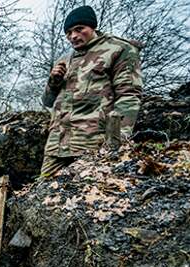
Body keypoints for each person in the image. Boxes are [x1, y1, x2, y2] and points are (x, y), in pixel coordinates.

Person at [41, 5, 143, 176]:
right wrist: (53, 82)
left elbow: (129, 96)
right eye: (69, 33)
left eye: (79, 29)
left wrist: (117, 141)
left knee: (86, 197)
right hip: (56, 146)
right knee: (40, 194)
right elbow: (47, 102)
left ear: (92, 26)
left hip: (92, 144)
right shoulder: (65, 59)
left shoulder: (118, 49)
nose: (73, 36)